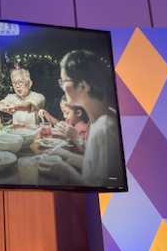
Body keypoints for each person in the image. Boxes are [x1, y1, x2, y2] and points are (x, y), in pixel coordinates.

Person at [49, 50, 125, 187]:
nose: (62, 87)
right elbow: (95, 166)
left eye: (64, 81)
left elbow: (104, 188)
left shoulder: (105, 129)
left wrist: (67, 171)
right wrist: (65, 155)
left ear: (83, 86)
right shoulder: (101, 118)